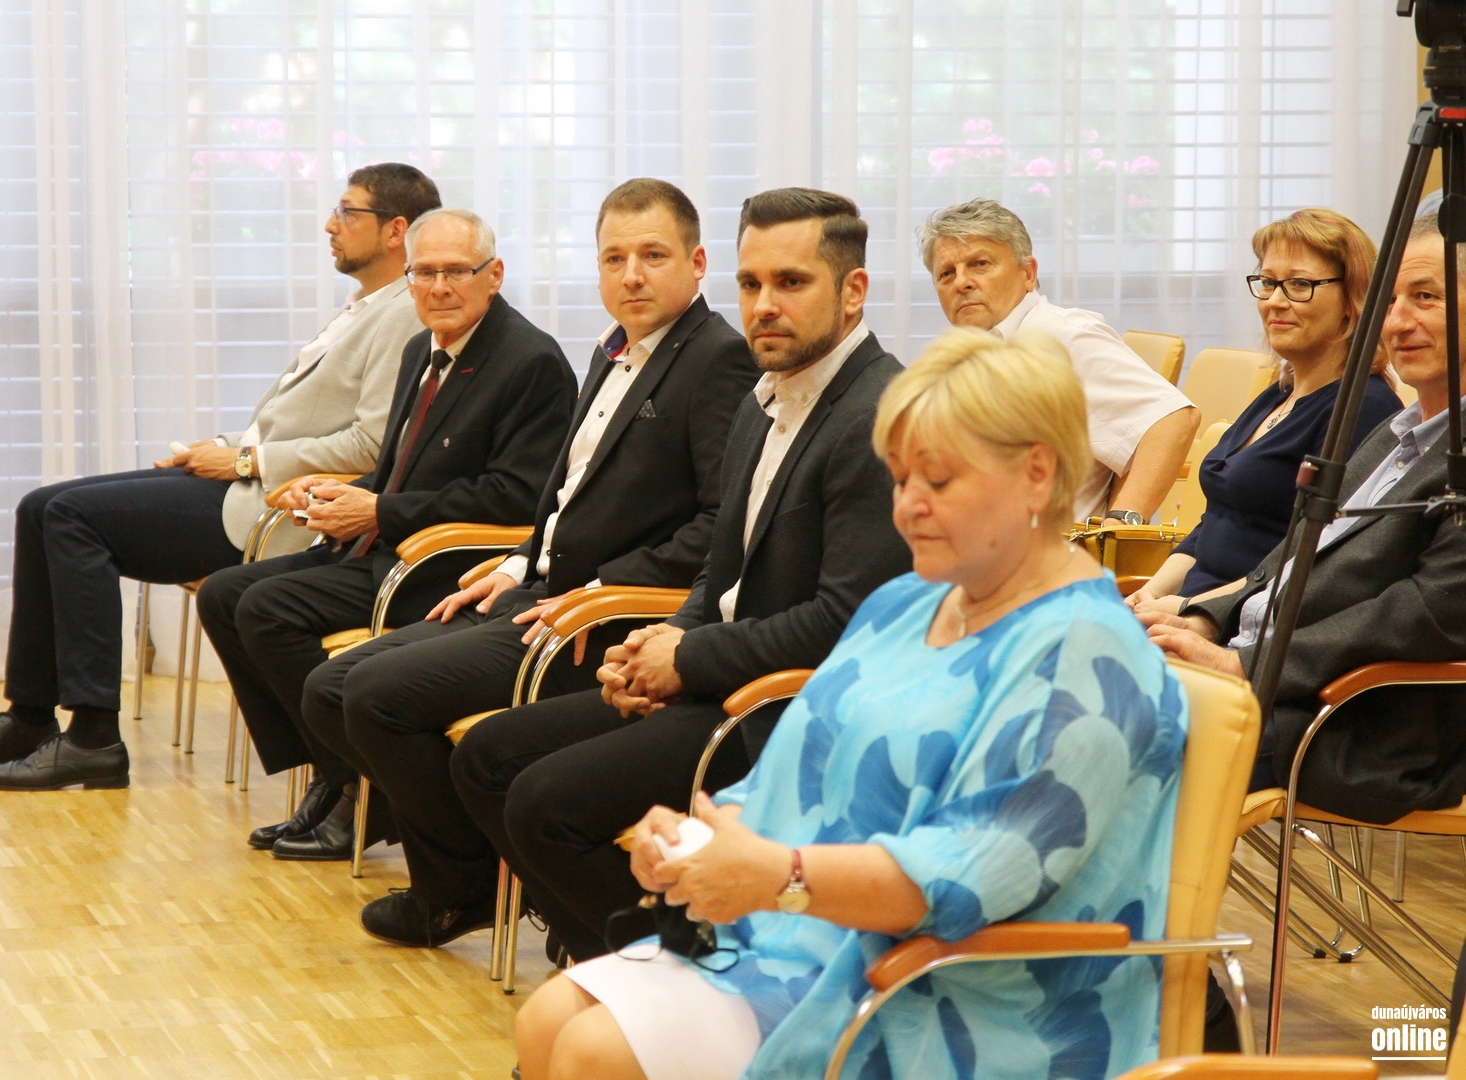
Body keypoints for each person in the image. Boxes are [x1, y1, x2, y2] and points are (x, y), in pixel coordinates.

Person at [514, 328, 1189, 1080]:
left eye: (938, 481)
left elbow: (966, 876)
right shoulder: (910, 601)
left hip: (960, 993)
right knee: (547, 1019)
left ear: (1037, 473)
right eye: (900, 480)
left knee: (596, 1053)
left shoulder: (1085, 658)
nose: (908, 508)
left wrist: (777, 874)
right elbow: (796, 777)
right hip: (815, 935)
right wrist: (702, 838)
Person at [452, 186, 911, 965]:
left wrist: (688, 657)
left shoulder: (876, 416)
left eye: (791, 282)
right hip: (715, 675)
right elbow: (720, 569)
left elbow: (842, 622)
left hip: (781, 710)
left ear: (853, 290)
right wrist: (662, 639)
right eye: (750, 283)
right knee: (487, 758)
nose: (764, 305)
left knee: (542, 802)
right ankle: (630, 963)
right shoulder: (764, 397)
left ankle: (678, 971)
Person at [298, 178, 760, 944]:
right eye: (614, 258)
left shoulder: (716, 359)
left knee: (375, 695)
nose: (632, 275)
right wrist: (514, 564)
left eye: (652, 256)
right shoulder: (613, 349)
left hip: (596, 621)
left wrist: (602, 588)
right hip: (538, 590)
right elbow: (564, 497)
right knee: (331, 687)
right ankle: (492, 872)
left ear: (698, 262)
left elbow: (720, 526)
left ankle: (460, 887)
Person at [0, 162, 441, 791]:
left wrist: (247, 462)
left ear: (395, 230)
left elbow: (372, 445)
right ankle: (29, 717)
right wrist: (222, 447)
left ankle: (92, 737)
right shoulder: (364, 307)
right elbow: (298, 420)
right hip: (246, 479)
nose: (330, 225)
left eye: (346, 211)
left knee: (71, 518)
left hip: (279, 507)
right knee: (40, 505)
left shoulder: (404, 315)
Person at [194, 208, 577, 859]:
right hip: (383, 546)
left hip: (442, 566)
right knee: (224, 595)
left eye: (456, 271)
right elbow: (399, 465)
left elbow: (517, 496)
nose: (439, 287)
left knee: (265, 609)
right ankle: (337, 773)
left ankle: (354, 791)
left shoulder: (529, 361)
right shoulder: (420, 348)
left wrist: (379, 512)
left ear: (494, 275)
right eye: (424, 273)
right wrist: (335, 489)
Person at [1142, 213, 1466, 823]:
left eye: (1425, 297)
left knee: (1103, 731)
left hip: (1352, 721)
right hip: (1276, 678)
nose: (1398, 321)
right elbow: (1294, 554)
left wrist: (1243, 662)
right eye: (1391, 301)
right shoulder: (1397, 436)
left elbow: (1427, 615)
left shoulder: (1393, 426)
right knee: (1065, 680)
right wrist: (1207, 620)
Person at [1127, 208, 1401, 611]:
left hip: (1247, 623)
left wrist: (1190, 609)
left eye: (1299, 284)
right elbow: (1218, 521)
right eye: (1269, 282)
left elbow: (1316, 564)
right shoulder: (1278, 394)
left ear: (1353, 299)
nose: (1274, 301)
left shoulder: (1362, 409)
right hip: (1192, 608)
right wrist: (1152, 592)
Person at [923, 197, 1199, 523]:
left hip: (1050, 548)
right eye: (946, 274)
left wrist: (1118, 529)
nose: (961, 282)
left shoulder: (1062, 336)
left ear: (1028, 273)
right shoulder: (970, 353)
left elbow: (1174, 420)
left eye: (980, 264)